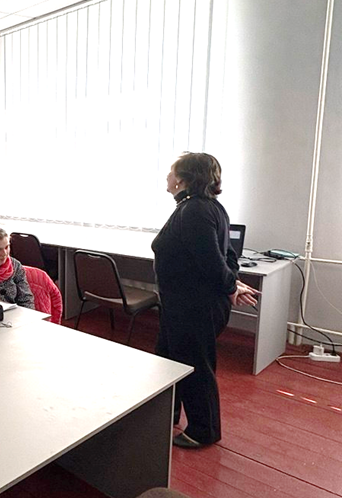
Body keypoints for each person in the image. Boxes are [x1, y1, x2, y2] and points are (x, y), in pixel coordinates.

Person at [152, 152, 258, 449]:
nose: (167, 176)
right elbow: (229, 257)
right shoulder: (205, 207)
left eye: (171, 172)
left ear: (184, 179)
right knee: (167, 360)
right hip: (182, 305)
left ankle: (204, 431)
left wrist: (230, 286)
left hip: (194, 307)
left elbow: (213, 262)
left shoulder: (195, 210)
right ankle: (167, 413)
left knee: (195, 366)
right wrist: (233, 283)